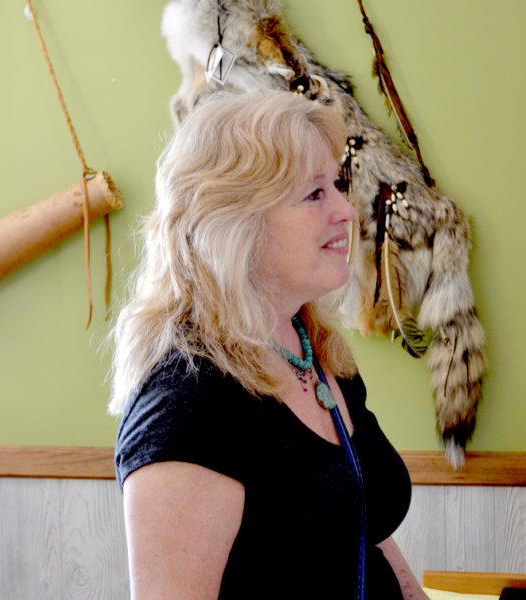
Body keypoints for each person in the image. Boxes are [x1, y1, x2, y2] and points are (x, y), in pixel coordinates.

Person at [110, 90, 429, 599]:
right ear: (236, 221)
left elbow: (364, 522)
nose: (347, 211)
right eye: (314, 194)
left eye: (337, 185)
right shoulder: (186, 405)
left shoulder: (317, 350)